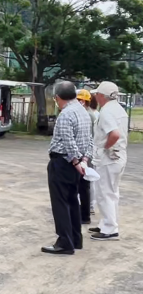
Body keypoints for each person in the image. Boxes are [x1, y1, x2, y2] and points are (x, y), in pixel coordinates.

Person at [42, 82, 93, 255]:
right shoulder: (83, 112)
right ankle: (75, 238)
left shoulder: (66, 114)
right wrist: (84, 160)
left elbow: (68, 141)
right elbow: (89, 140)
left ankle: (65, 242)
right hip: (76, 163)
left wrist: (76, 162)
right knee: (72, 201)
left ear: (57, 97)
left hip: (63, 162)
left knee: (60, 203)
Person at [89, 81, 128, 241]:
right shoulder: (119, 109)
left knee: (104, 192)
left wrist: (106, 147)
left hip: (109, 157)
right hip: (119, 155)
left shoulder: (106, 112)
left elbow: (114, 134)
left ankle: (110, 229)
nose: (96, 97)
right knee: (112, 192)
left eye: (97, 94)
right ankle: (107, 223)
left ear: (101, 96)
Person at [76, 89, 96, 224]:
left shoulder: (86, 115)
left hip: (85, 154)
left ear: (82, 101)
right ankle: (86, 211)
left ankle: (85, 214)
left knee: (83, 184)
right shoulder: (90, 114)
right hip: (87, 153)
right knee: (85, 184)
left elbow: (88, 137)